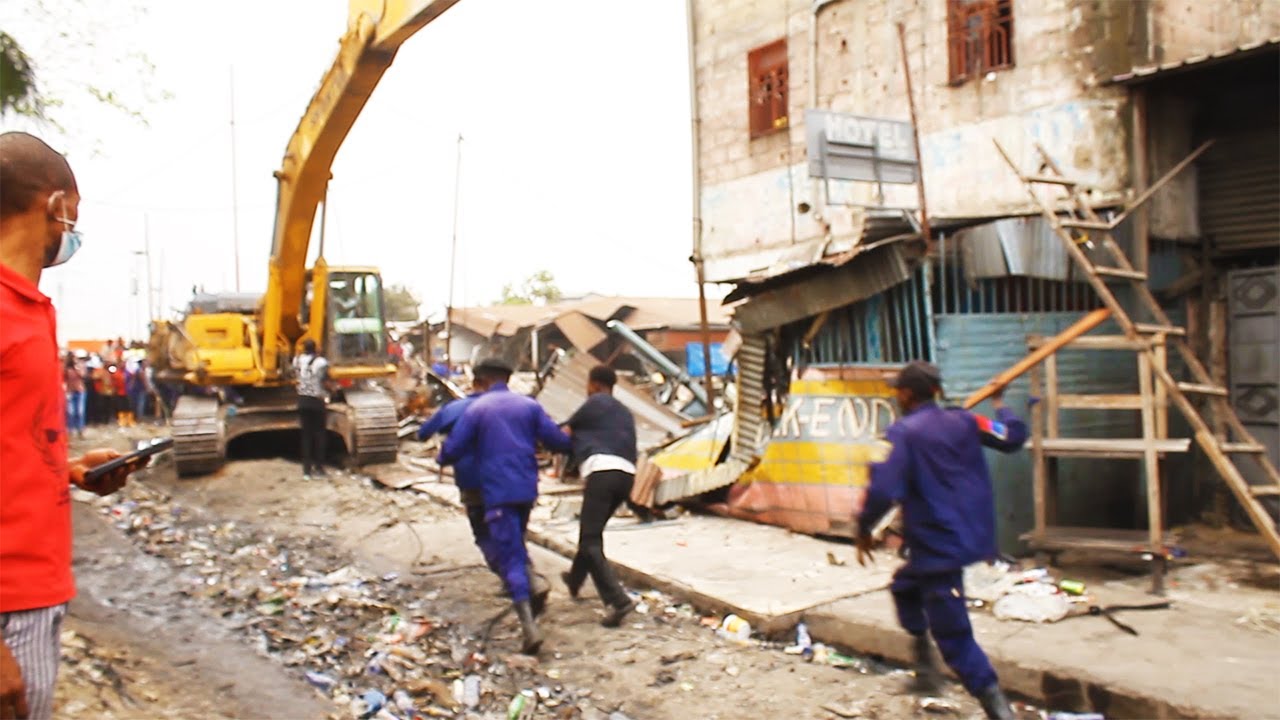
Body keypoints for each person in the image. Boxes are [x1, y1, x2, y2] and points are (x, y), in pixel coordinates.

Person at [0, 131, 144, 720]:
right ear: (55, 203)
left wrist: (68, 470)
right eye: (73, 215)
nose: (72, 232)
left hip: (34, 593)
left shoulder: (29, 307)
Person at [855, 360, 1027, 720]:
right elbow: (1012, 437)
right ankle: (925, 672)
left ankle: (998, 707)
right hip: (972, 536)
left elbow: (883, 489)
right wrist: (1001, 405)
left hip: (938, 546)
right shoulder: (967, 421)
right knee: (905, 587)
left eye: (898, 391)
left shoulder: (904, 433)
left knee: (954, 637)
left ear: (906, 394)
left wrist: (863, 529)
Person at [439, 358, 571, 654]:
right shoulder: (529, 406)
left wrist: (443, 457)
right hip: (527, 489)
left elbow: (453, 449)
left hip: (498, 492)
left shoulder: (477, 409)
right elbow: (557, 441)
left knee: (506, 554)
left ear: (481, 381)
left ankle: (529, 626)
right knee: (516, 543)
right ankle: (531, 583)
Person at [561, 365, 638, 627]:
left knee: (591, 540)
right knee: (591, 532)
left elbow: (566, 432)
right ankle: (574, 579)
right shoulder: (624, 411)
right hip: (626, 476)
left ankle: (618, 600)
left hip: (602, 472)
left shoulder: (595, 403)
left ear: (594, 384)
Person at [293, 339, 331, 480]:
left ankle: (306, 471)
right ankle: (319, 468)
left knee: (306, 436)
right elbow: (325, 380)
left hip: (302, 400)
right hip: (316, 401)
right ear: (316, 348)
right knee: (319, 435)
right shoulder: (321, 362)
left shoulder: (297, 360)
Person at [63, 353, 86, 439]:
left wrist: (77, 368)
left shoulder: (80, 366)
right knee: (71, 412)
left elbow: (82, 375)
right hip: (70, 391)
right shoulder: (66, 369)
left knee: (80, 412)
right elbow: (64, 378)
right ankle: (70, 430)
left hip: (80, 391)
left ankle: (80, 430)